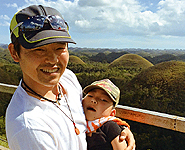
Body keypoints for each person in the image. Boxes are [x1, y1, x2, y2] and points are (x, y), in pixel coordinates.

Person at [6, 4, 135, 150]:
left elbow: (88, 115)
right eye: (39, 49)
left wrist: (116, 128)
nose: (52, 60)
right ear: (14, 52)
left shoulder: (67, 78)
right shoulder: (30, 128)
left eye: (60, 48)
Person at [82, 79, 131, 150]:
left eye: (103, 100)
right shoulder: (77, 122)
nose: (93, 100)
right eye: (90, 95)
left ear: (112, 113)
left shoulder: (110, 127)